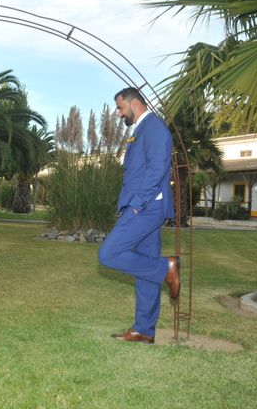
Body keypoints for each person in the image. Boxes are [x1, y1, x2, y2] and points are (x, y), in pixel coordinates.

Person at [98, 87, 180, 344]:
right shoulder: (142, 130)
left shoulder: (153, 128)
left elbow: (157, 170)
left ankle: (166, 268)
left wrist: (137, 205)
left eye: (121, 108)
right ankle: (144, 329)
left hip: (146, 208)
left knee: (108, 254)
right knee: (144, 265)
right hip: (143, 207)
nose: (119, 114)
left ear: (135, 103)